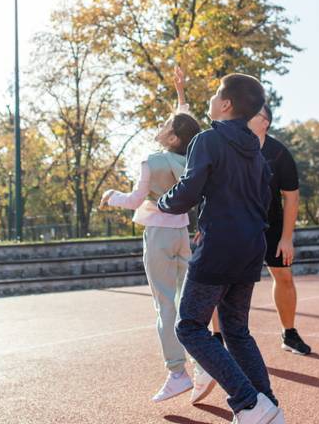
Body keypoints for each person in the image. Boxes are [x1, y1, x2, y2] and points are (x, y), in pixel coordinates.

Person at [159, 74, 285, 424]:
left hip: (218, 247)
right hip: (249, 247)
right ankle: (268, 407)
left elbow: (187, 192)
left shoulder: (207, 140)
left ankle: (248, 402)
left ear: (226, 104)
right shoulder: (257, 154)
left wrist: (162, 203)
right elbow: (263, 204)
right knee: (236, 329)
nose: (212, 99)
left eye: (216, 94)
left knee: (190, 327)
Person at [99, 69, 202, 403]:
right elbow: (186, 122)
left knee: (164, 305)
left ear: (172, 137)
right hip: (183, 234)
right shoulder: (189, 159)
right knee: (188, 304)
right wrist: (181, 92)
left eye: (167, 123)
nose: (164, 123)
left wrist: (112, 195)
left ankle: (177, 373)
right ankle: (203, 364)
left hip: (157, 235)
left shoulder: (151, 161)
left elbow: (133, 200)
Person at [247, 104, 311, 355]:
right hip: (238, 224)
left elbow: (292, 197)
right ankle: (221, 337)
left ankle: (289, 333)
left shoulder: (279, 153)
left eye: (251, 114)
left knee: (284, 276)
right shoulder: (232, 148)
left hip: (271, 225)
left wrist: (286, 238)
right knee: (229, 282)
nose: (245, 117)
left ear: (265, 122)